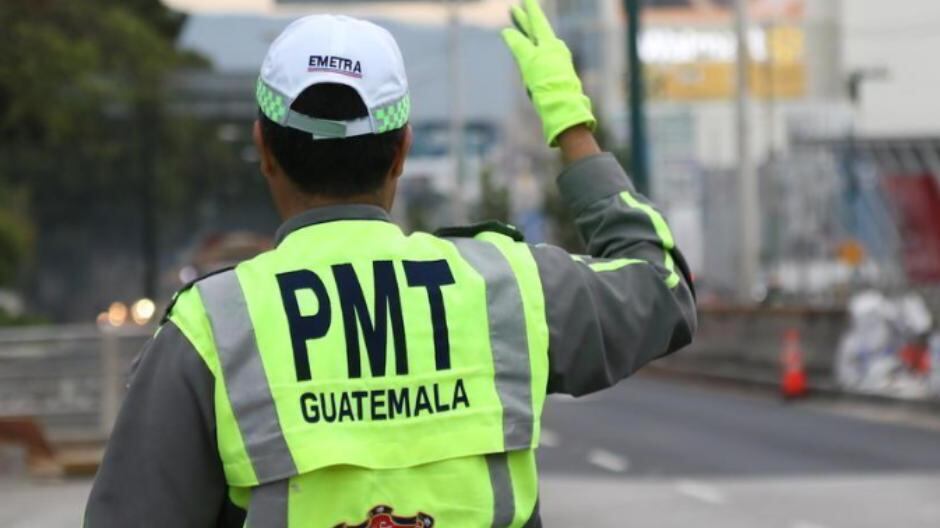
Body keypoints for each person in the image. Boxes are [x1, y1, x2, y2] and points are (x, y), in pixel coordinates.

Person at [84, 1, 696, 526]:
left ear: (264, 149)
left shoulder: (210, 330)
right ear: (401, 151)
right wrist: (571, 125)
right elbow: (662, 289)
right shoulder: (507, 287)